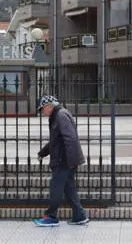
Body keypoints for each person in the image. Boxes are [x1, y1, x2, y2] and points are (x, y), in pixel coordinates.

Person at [32, 95, 89, 227]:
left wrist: (69, 160)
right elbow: (55, 142)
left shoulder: (60, 116)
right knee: (69, 188)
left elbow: (70, 138)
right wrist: (43, 152)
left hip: (63, 160)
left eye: (42, 109)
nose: (42, 113)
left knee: (55, 187)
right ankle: (79, 216)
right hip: (66, 159)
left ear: (49, 106)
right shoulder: (59, 115)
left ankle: (51, 216)